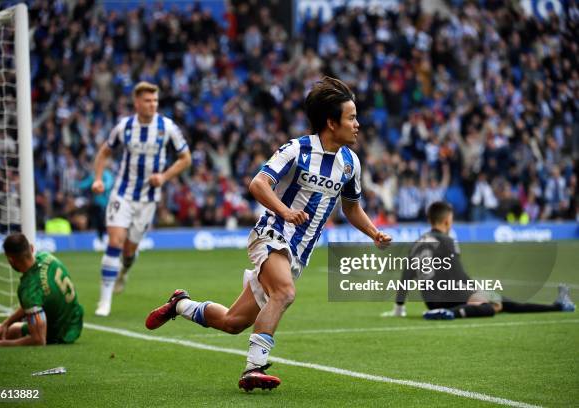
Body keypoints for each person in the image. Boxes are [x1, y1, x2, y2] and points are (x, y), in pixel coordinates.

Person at [145, 77, 392, 391]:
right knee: (285, 293)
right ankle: (254, 368)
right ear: (331, 123)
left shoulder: (350, 164)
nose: (358, 124)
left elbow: (352, 208)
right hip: (272, 233)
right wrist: (285, 211)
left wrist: (374, 233)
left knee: (233, 322)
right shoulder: (297, 149)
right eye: (352, 117)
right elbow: (258, 184)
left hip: (298, 254)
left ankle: (180, 303)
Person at [91, 81, 192, 316]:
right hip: (122, 193)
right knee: (114, 242)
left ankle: (124, 272)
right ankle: (104, 302)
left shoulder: (167, 127)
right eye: (148, 100)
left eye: (155, 100)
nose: (152, 104)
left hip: (148, 199)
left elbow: (185, 158)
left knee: (128, 251)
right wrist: (98, 178)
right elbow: (105, 152)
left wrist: (164, 176)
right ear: (137, 103)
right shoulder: (124, 127)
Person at [382, 201, 575, 320]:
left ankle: (558, 305)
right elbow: (458, 275)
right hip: (450, 298)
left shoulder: (417, 242)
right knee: (496, 303)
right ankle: (558, 306)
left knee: (493, 302)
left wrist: (399, 308)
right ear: (447, 221)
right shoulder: (447, 240)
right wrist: (477, 291)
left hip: (431, 301)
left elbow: (406, 276)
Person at [0, 233, 84, 348]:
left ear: (11, 260)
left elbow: (39, 341)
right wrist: (7, 323)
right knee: (1, 328)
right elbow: (37, 299)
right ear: (31, 248)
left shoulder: (29, 289)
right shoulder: (47, 257)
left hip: (59, 334)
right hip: (74, 320)